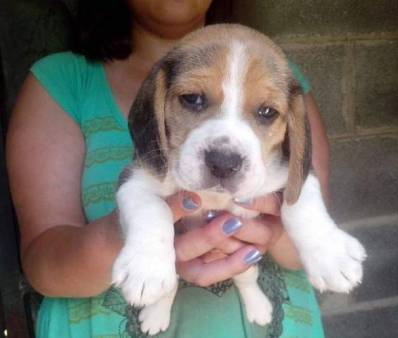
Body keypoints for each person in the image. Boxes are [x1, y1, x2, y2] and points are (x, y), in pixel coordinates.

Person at [6, 0, 330, 337]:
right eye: (192, 99)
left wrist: (280, 228)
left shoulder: (281, 76)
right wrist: (140, 231)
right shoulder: (65, 79)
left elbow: (310, 244)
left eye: (264, 113)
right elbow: (43, 268)